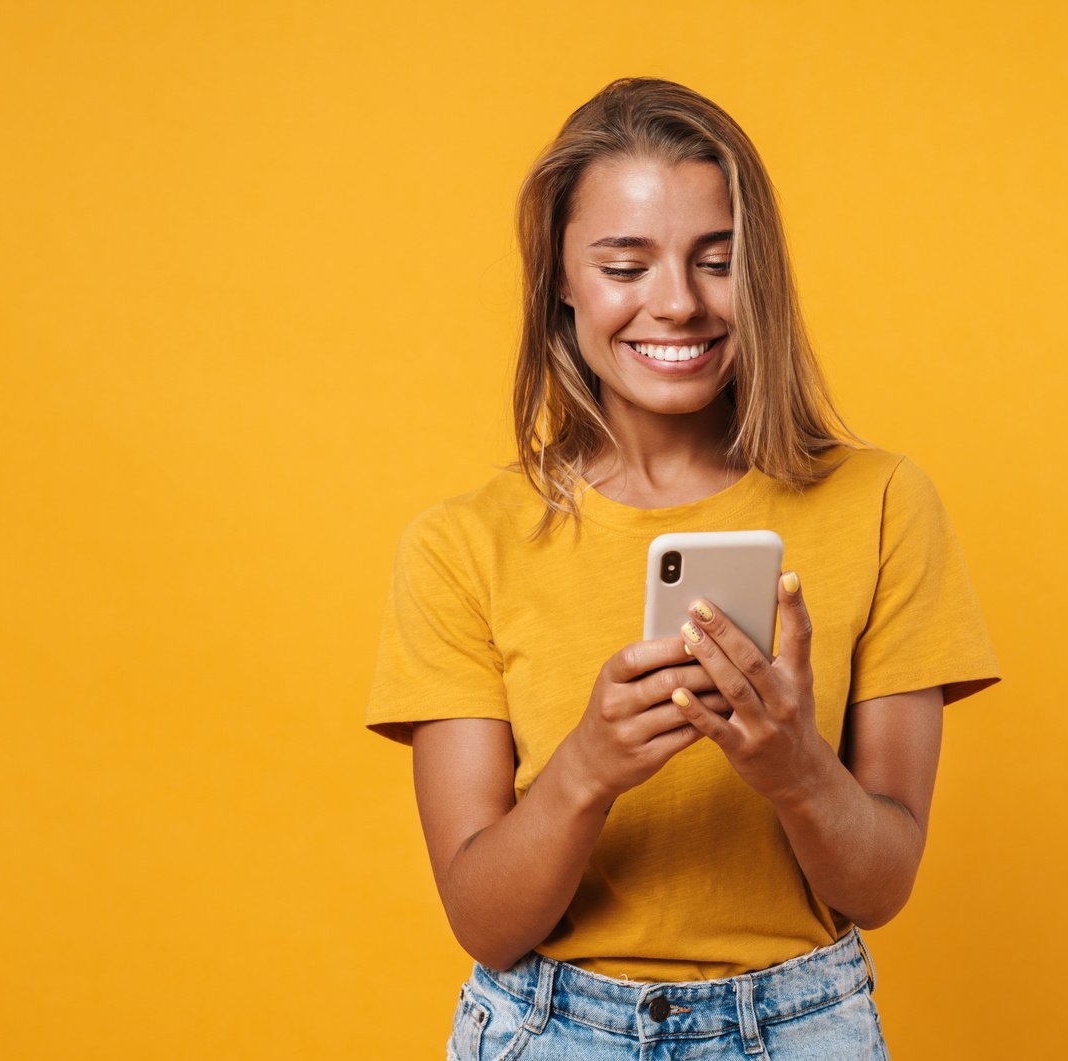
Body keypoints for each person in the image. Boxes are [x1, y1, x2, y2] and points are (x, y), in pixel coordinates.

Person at [367, 77, 1000, 1060]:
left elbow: (879, 887)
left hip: (802, 1025)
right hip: (548, 1028)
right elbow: (485, 922)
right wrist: (586, 767)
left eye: (718, 261)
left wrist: (793, 767)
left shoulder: (881, 504)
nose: (677, 302)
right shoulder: (462, 545)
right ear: (560, 282)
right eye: (625, 263)